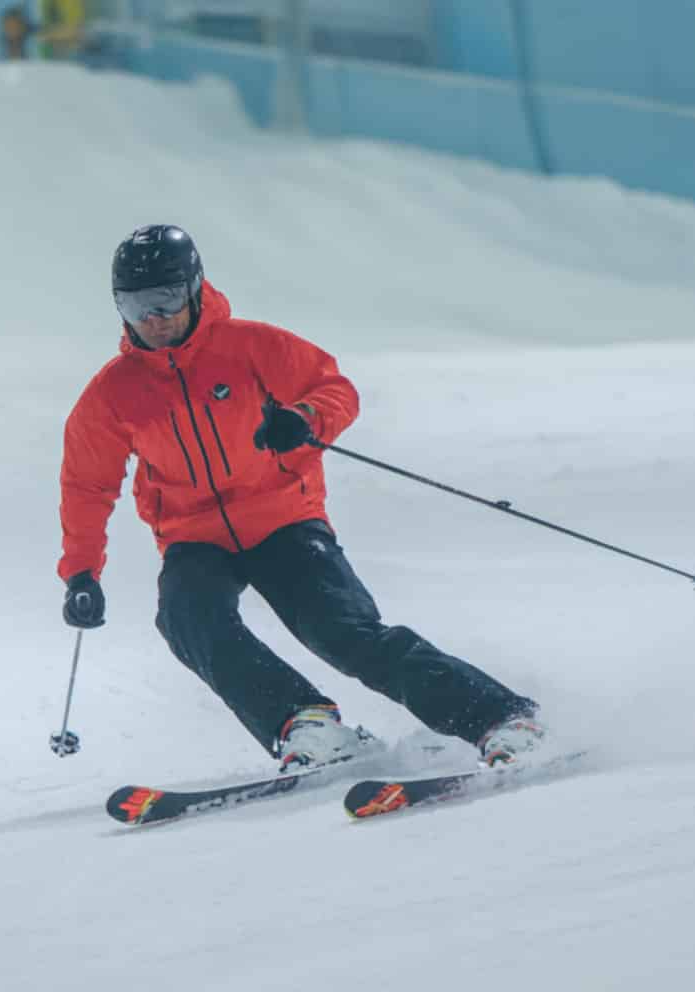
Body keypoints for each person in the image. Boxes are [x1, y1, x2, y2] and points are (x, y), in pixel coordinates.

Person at [57, 225, 544, 772]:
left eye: (167, 299)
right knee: (186, 619)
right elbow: (87, 485)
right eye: (137, 304)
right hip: (194, 539)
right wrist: (81, 574)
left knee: (342, 633)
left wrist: (303, 418)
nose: (154, 318)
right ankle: (304, 723)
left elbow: (335, 389)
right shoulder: (113, 393)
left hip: (283, 520)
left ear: (194, 289)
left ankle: (502, 717)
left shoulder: (252, 346)